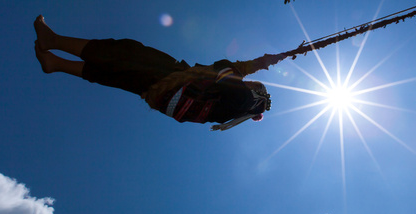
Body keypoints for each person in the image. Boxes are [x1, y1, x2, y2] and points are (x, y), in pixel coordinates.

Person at [33, 15, 274, 130]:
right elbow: (224, 77)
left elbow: (222, 69)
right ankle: (55, 63)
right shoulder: (230, 112)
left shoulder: (241, 99)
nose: (250, 82)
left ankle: (53, 40)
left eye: (255, 83)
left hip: (171, 79)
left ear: (257, 93)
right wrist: (257, 63)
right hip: (162, 93)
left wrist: (251, 65)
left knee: (122, 52)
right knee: (113, 74)